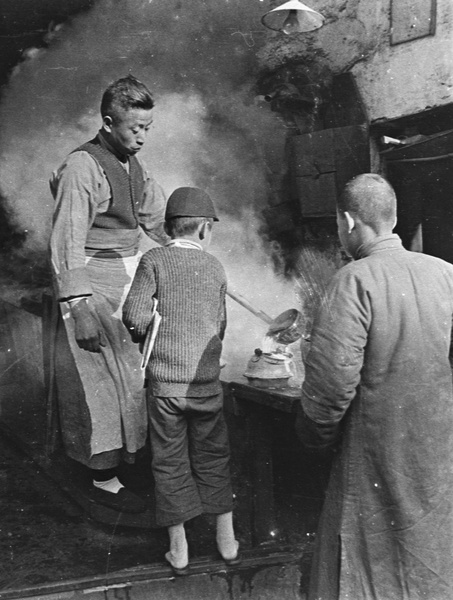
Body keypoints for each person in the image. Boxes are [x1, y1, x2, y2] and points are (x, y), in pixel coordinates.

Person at [296, 173, 453, 599]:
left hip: (376, 455)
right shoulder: (446, 274)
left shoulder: (353, 280)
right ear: (394, 216)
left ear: (348, 221)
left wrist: (314, 438)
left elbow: (330, 389)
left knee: (366, 569)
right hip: (437, 453)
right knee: (432, 560)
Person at [49, 75, 169, 514]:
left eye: (147, 128)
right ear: (107, 121)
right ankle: (102, 475)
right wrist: (78, 307)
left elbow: (157, 222)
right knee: (98, 376)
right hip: (87, 276)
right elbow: (66, 240)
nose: (141, 136)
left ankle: (132, 458)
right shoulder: (83, 166)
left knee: (134, 371)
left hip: (127, 271)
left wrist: (190, 248)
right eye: (134, 127)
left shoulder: (135, 166)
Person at [123, 186, 240, 575]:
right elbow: (220, 326)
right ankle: (227, 541)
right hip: (206, 385)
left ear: (168, 226)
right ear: (205, 229)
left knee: (170, 462)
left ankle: (179, 549)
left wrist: (149, 338)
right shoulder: (216, 267)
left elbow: (134, 317)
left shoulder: (153, 259)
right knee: (213, 457)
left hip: (166, 389)